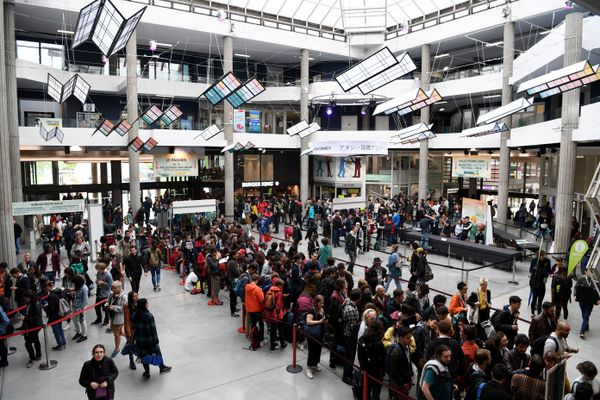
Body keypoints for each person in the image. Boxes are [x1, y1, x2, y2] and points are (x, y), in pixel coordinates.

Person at [131, 298, 172, 378]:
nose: (148, 304)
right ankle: (162, 367)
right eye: (147, 303)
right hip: (150, 340)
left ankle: (147, 372)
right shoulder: (149, 316)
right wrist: (156, 340)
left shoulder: (134, 315)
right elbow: (153, 329)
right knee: (158, 353)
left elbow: (133, 327)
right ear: (145, 305)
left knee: (143, 355)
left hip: (140, 340)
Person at [356, 319, 386, 400]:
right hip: (376, 373)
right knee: (375, 394)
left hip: (365, 370)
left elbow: (360, 356)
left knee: (365, 392)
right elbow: (383, 358)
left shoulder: (362, 339)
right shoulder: (379, 344)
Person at [387, 325, 414, 398]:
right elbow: (393, 370)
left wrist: (410, 377)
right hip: (399, 383)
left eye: (411, 337)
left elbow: (408, 362)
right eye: (408, 338)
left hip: (406, 380)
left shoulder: (407, 347)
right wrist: (402, 383)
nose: (410, 339)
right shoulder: (396, 351)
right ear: (401, 338)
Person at [341, 288, 361, 385]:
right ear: (359, 298)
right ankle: (346, 375)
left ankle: (347, 372)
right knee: (351, 356)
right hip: (349, 335)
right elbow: (354, 326)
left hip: (347, 332)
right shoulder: (352, 309)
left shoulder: (348, 304)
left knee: (349, 355)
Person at [305, 294, 327, 379]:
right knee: (312, 350)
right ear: (316, 302)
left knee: (318, 349)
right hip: (312, 333)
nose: (322, 304)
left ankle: (315, 364)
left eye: (322, 302)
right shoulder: (312, 310)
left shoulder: (322, 309)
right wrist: (319, 322)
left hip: (320, 333)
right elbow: (308, 322)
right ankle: (308, 367)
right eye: (320, 303)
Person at [19, 289, 42, 368]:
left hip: (35, 325)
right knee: (35, 340)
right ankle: (38, 355)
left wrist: (25, 319)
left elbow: (36, 318)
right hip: (32, 325)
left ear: (30, 297)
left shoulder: (35, 304)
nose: (25, 299)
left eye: (26, 297)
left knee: (28, 343)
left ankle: (32, 358)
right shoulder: (30, 303)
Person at [575, 268, 600, 339]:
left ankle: (582, 332)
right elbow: (576, 287)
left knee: (586, 315)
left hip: (590, 302)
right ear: (585, 272)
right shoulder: (581, 279)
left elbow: (599, 291)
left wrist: (598, 299)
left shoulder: (596, 282)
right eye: (589, 272)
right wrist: (575, 295)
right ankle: (586, 326)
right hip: (582, 301)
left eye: (592, 272)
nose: (591, 273)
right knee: (584, 315)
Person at [264, 278, 287, 352]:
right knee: (280, 329)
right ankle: (282, 343)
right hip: (277, 314)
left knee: (273, 330)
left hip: (270, 313)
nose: (282, 287)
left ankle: (272, 346)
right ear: (279, 285)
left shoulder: (270, 290)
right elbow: (278, 305)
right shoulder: (279, 293)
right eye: (281, 285)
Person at [43, 280, 66, 351]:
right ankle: (63, 342)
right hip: (60, 314)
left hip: (54, 316)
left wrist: (46, 307)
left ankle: (60, 344)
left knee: (56, 331)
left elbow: (52, 309)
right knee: (60, 329)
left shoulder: (51, 296)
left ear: (47, 287)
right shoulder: (58, 291)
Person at [106, 282, 127, 358]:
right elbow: (108, 301)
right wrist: (106, 305)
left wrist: (113, 307)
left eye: (114, 288)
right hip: (112, 317)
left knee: (116, 334)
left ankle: (117, 348)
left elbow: (123, 308)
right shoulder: (112, 294)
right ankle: (129, 338)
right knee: (119, 332)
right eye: (112, 288)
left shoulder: (124, 297)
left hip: (119, 318)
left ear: (119, 287)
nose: (113, 289)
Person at [245, 273, 265, 346]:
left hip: (250, 309)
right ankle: (261, 339)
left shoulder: (247, 287)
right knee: (261, 324)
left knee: (253, 324)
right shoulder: (257, 289)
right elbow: (262, 299)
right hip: (258, 309)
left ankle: (252, 337)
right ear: (257, 280)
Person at [529, 250, 551, 315]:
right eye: (542, 255)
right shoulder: (534, 261)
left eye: (544, 255)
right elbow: (530, 270)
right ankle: (533, 313)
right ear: (538, 255)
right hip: (534, 283)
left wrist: (551, 273)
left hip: (541, 283)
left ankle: (538, 313)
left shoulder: (547, 261)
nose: (543, 257)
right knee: (534, 299)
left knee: (539, 301)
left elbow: (549, 270)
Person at [72, 274, 89, 343]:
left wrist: (81, 309)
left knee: (82, 321)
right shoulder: (78, 286)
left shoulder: (84, 288)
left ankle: (84, 335)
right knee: (75, 320)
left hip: (80, 308)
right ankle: (78, 332)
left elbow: (85, 301)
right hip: (75, 306)